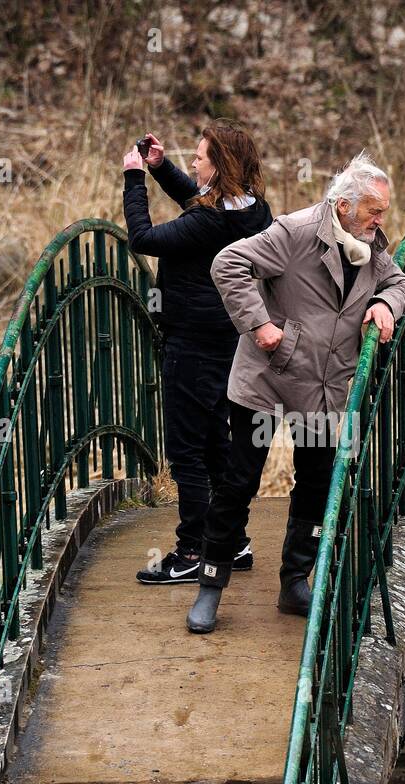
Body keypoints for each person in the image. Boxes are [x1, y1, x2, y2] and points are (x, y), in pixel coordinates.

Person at [185, 150, 405, 633]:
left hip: (324, 386)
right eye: (374, 210)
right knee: (239, 482)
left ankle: (295, 581)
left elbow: (403, 284)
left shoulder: (370, 246)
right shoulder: (295, 232)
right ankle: (211, 584)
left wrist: (384, 303)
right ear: (344, 204)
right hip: (266, 379)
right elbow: (228, 264)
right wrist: (261, 324)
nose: (380, 219)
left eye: (384, 212)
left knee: (314, 484)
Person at [121, 120, 272, 584]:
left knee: (187, 449)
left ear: (218, 166)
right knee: (215, 442)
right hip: (228, 339)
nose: (193, 162)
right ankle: (233, 540)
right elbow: (199, 199)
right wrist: (161, 169)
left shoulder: (209, 222)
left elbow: (143, 240)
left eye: (200, 157)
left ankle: (191, 550)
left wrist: (134, 179)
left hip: (192, 342)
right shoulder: (253, 211)